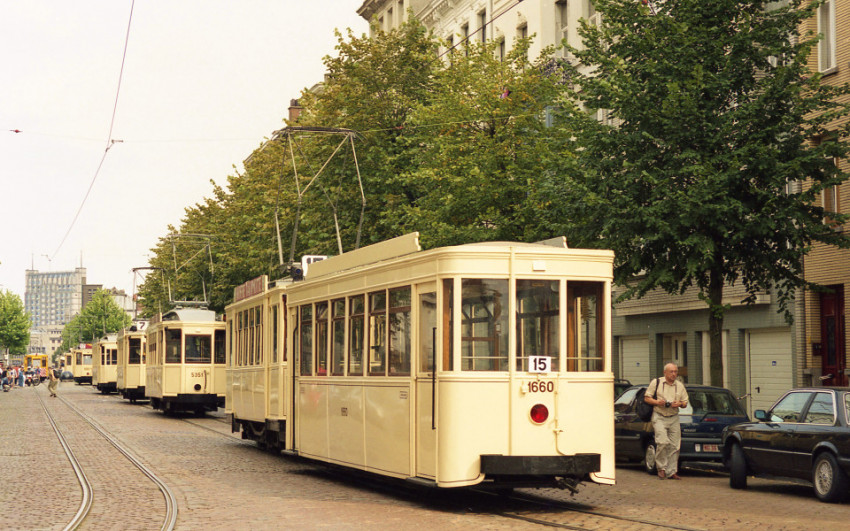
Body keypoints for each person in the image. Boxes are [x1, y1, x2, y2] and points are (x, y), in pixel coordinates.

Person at [644, 362, 689, 480]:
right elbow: (647, 398)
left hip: (673, 416)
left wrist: (679, 404)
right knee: (662, 441)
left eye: (675, 372)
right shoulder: (656, 382)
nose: (674, 374)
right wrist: (657, 402)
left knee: (675, 445)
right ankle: (661, 468)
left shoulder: (679, 385)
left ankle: (672, 471)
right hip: (659, 415)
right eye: (671, 372)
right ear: (665, 373)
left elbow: (685, 402)